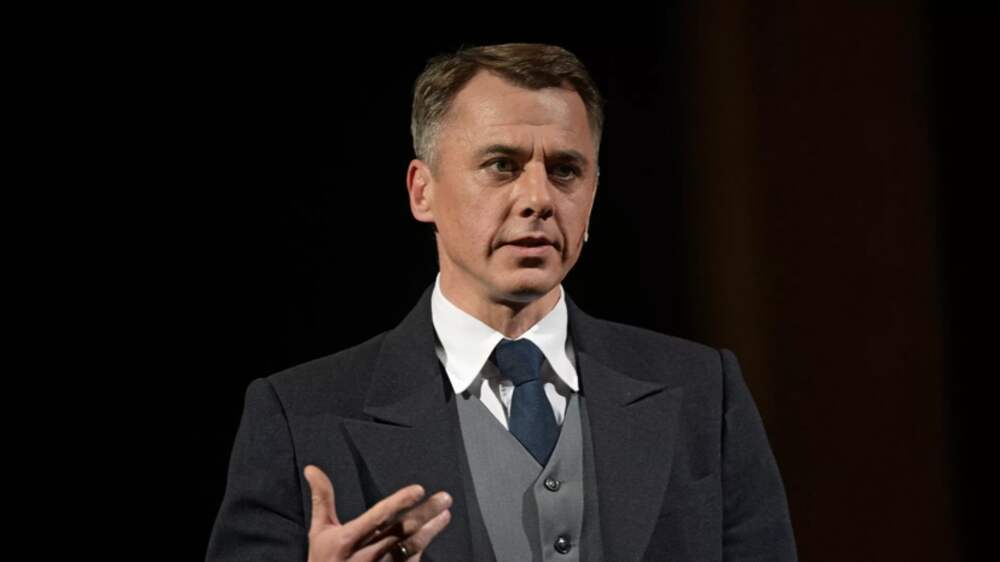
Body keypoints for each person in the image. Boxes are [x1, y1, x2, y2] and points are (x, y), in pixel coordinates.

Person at [205, 43, 797, 562]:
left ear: (593, 193)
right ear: (422, 191)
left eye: (565, 170)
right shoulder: (299, 418)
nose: (538, 197)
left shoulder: (703, 392)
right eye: (501, 166)